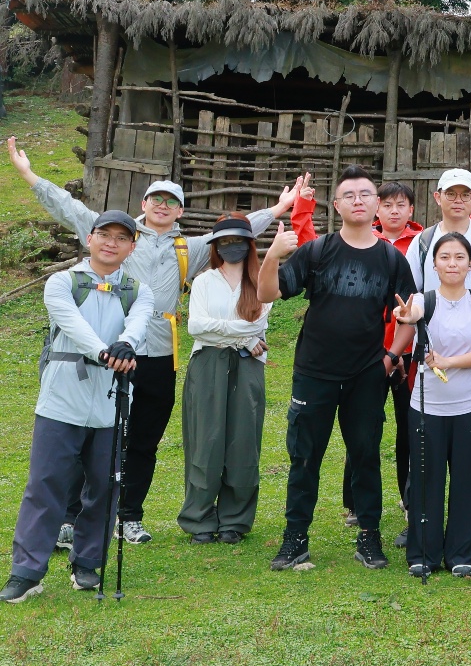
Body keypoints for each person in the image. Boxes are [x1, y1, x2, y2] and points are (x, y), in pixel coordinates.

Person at [7, 138, 291, 547]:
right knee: (94, 433)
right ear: (144, 203)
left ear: (180, 211)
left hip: (158, 355)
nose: (162, 205)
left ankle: (129, 516)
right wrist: (30, 175)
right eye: (156, 198)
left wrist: (278, 210)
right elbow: (69, 209)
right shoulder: (118, 235)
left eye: (171, 201)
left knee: (144, 439)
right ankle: (72, 517)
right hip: (110, 352)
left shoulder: (190, 248)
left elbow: (237, 233)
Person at [293, 172, 471, 540]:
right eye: (387, 204)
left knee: (406, 430)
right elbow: (308, 252)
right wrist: (302, 207)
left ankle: (407, 501)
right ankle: (355, 505)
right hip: (363, 355)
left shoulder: (421, 243)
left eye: (401, 204)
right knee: (359, 436)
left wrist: (395, 354)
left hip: (404, 352)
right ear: (376, 209)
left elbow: (465, 242)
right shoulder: (362, 242)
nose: (394, 210)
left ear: (412, 209)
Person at [260, 166, 418, 571]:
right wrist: (273, 256)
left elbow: (408, 316)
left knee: (365, 456)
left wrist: (390, 357)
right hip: (313, 372)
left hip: (366, 374)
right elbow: (267, 292)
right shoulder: (318, 251)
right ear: (336, 205)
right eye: (349, 195)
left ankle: (369, 537)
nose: (358, 200)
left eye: (366, 194)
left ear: (376, 204)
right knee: (304, 457)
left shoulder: (391, 259)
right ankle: (295, 539)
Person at [1, 211, 153, 603]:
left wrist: (127, 344)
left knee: (104, 485)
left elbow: (139, 323)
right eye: (105, 234)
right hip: (61, 399)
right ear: (90, 238)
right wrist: (105, 352)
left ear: (131, 247)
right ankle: (26, 571)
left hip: (109, 403)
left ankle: (87, 562)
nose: (112, 243)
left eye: (122, 238)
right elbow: (71, 324)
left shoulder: (139, 290)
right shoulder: (61, 282)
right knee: (46, 483)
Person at [405, 169, 471, 549]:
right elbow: (411, 298)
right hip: (429, 354)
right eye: (449, 193)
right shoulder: (422, 242)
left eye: (464, 194)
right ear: (437, 197)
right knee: (424, 441)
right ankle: (419, 520)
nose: (457, 200)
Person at [391, 233, 471, 577]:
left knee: (469, 478)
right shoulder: (423, 301)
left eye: (459, 257)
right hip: (427, 407)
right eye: (444, 257)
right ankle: (424, 553)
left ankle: (463, 553)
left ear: (470, 264)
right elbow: (410, 314)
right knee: (426, 477)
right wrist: (405, 315)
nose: (452, 263)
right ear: (434, 265)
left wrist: (448, 362)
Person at [177, 217, 271, 544]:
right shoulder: (204, 281)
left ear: (249, 243)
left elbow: (258, 325)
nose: (232, 247)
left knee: (244, 441)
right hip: (207, 364)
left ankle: (235, 520)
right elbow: (195, 327)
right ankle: (199, 519)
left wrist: (237, 334)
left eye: (238, 240)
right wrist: (243, 337)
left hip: (248, 367)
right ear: (216, 246)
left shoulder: (262, 283)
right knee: (205, 441)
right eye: (225, 241)